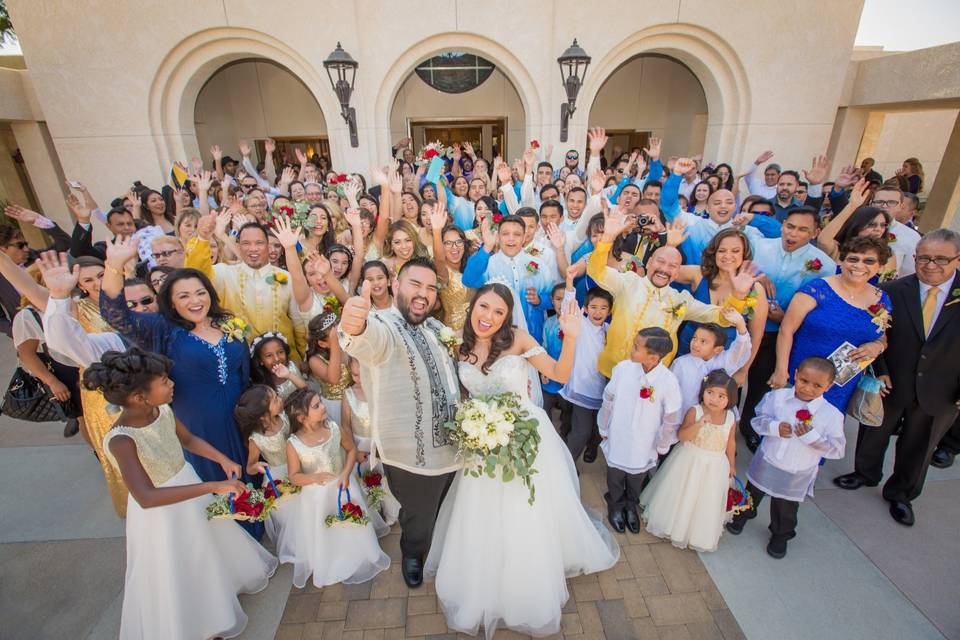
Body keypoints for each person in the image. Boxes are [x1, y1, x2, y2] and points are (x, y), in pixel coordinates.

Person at [424, 283, 619, 639]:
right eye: (484, 307)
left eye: (499, 312)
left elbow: (559, 375)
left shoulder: (519, 339)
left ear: (508, 315)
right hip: (481, 440)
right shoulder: (456, 343)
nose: (489, 318)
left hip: (527, 436)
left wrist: (571, 336)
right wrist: (471, 425)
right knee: (482, 511)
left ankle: (526, 578)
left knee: (526, 508)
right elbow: (458, 392)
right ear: (472, 306)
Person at [84, 348, 277, 639]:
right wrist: (213, 486)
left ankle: (216, 598)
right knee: (179, 564)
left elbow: (187, 439)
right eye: (164, 381)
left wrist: (221, 459)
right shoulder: (122, 441)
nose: (172, 384)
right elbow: (146, 497)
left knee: (205, 550)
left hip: (188, 487)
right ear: (139, 397)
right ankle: (197, 624)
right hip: (162, 513)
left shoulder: (162, 411)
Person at [98, 237, 257, 499]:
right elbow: (116, 315)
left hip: (241, 417)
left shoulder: (228, 322)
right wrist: (114, 265)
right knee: (216, 487)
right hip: (198, 424)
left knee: (250, 481)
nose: (195, 301)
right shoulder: (162, 328)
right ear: (171, 302)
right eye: (184, 296)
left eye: (200, 292)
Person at [338, 257, 461, 588]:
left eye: (431, 287)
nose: (424, 294)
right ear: (395, 285)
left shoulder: (436, 328)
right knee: (418, 514)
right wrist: (354, 324)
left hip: (455, 446)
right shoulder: (384, 325)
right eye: (415, 285)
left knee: (446, 504)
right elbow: (367, 339)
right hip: (411, 456)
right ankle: (412, 552)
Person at [833, 229, 960, 526]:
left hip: (942, 387)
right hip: (894, 380)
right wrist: (882, 371)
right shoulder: (894, 291)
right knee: (873, 430)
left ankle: (901, 493)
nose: (931, 265)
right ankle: (865, 472)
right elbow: (878, 335)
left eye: (941, 259)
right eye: (924, 258)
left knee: (920, 443)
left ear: (957, 259)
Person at [587, 206, 754, 375]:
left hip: (652, 379)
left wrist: (738, 296)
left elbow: (722, 318)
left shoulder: (682, 300)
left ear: (677, 273)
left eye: (673, 266)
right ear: (650, 262)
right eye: (660, 262)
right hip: (613, 371)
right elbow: (596, 271)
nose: (664, 269)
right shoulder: (628, 282)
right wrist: (608, 237)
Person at [726, 357, 844, 559]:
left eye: (817, 385)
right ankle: (743, 515)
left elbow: (837, 450)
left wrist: (812, 438)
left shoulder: (831, 415)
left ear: (829, 386)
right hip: (769, 460)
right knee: (753, 492)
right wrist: (773, 427)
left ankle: (780, 533)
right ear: (796, 374)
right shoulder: (777, 398)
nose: (808, 388)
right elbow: (757, 420)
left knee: (786, 507)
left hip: (796, 470)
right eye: (804, 381)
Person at [741, 207, 836, 449]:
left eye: (803, 229)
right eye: (790, 226)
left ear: (815, 232)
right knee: (735, 374)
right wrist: (757, 276)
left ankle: (751, 426)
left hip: (779, 332)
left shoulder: (824, 265)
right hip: (746, 324)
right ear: (782, 225)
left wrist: (785, 317)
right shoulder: (760, 247)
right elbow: (739, 269)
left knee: (762, 383)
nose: (793, 233)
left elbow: (819, 309)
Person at [277, 388, 390, 589]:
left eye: (321, 402)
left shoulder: (334, 428)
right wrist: (315, 477)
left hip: (343, 486)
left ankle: (356, 552)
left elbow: (351, 449)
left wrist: (346, 473)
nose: (323, 407)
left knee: (349, 522)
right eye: (316, 406)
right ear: (302, 417)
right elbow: (294, 477)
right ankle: (329, 558)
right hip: (316, 496)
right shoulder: (294, 444)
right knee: (324, 527)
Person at [769, 236, 892, 412]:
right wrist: (781, 370)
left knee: (824, 434)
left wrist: (877, 346)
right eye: (853, 259)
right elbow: (786, 330)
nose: (859, 265)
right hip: (803, 376)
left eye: (869, 261)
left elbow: (882, 337)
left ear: (880, 266)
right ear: (841, 261)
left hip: (842, 384)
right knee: (786, 427)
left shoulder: (882, 299)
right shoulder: (818, 289)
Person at [639, 370, 739, 552]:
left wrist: (731, 464)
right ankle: (672, 526)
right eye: (710, 393)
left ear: (730, 399)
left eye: (721, 396)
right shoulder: (695, 411)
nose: (714, 399)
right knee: (682, 492)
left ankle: (695, 532)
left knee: (706, 498)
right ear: (703, 391)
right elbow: (683, 436)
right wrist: (699, 424)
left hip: (715, 465)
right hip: (689, 459)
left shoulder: (731, 418)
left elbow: (730, 442)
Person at [598, 327, 682, 534]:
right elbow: (609, 398)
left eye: (636, 347)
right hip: (620, 432)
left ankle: (630, 505)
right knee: (615, 474)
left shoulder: (668, 380)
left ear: (653, 357)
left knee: (636, 477)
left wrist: (663, 442)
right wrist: (603, 424)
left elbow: (671, 416)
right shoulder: (623, 369)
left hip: (645, 439)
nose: (631, 349)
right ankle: (616, 504)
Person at [186, 216, 306, 357]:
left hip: (282, 361)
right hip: (238, 360)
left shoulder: (286, 277)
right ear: (238, 246)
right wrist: (202, 238)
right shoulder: (223, 273)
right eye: (246, 243)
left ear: (268, 247)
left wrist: (302, 355)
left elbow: (298, 321)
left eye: (259, 243)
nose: (253, 249)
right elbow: (194, 276)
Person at [558, 267, 612, 464]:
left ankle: (592, 449)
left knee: (598, 427)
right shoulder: (580, 323)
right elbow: (567, 306)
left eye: (603, 308)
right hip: (581, 387)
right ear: (586, 308)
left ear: (610, 311)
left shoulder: (609, 330)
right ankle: (567, 465)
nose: (598, 312)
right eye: (594, 307)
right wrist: (570, 282)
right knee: (581, 430)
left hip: (601, 388)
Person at [341, 355, 400, 525]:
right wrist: (354, 450)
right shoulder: (349, 395)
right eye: (354, 375)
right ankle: (372, 517)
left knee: (384, 480)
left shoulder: (382, 392)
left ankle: (391, 513)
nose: (358, 379)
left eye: (362, 374)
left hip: (380, 446)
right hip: (360, 447)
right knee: (364, 481)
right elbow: (345, 426)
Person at [670, 311, 751, 428]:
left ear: (718, 349)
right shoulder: (680, 364)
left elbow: (740, 350)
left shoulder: (724, 360)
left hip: (712, 422)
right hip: (683, 420)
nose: (695, 344)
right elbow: (671, 393)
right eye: (694, 338)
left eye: (703, 341)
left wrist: (741, 325)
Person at [235, 384, 293, 542]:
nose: (279, 399)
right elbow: (250, 467)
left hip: (296, 467)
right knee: (290, 514)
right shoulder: (257, 438)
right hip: (278, 477)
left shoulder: (284, 417)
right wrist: (258, 467)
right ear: (262, 415)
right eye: (275, 400)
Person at [305, 312, 351, 424]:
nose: (342, 335)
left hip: (353, 399)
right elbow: (334, 379)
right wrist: (335, 344)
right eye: (337, 335)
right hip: (335, 405)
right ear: (322, 344)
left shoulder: (349, 346)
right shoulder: (314, 360)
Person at [250, 332, 307, 400]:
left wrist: (289, 375)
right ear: (260, 361)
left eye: (280, 352)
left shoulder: (292, 366)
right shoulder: (262, 388)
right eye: (269, 355)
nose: (277, 359)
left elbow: (307, 391)